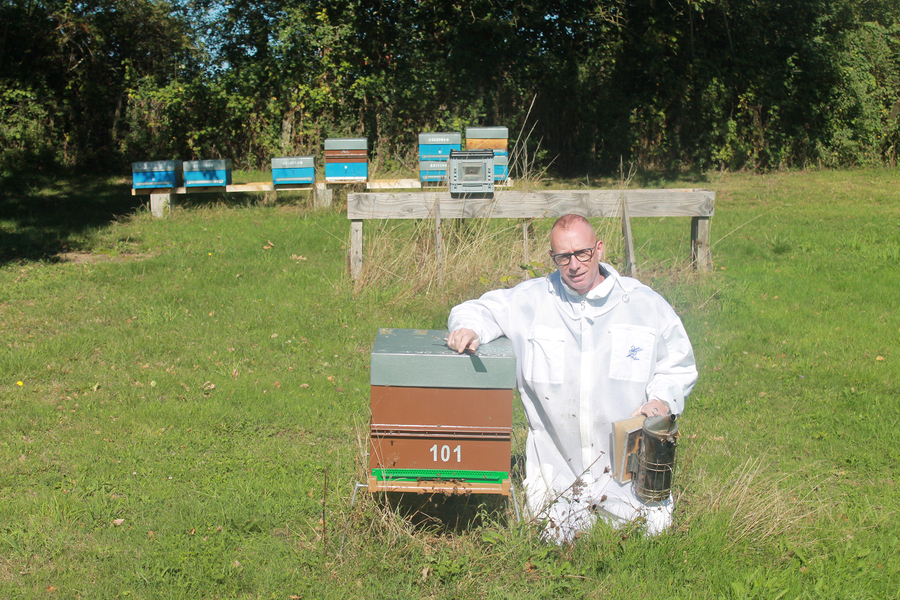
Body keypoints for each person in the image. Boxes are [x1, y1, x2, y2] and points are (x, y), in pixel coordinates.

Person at [447, 214, 697, 542]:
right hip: (557, 474)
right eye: (563, 257)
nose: (574, 265)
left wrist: (661, 401)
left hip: (627, 473)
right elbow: (475, 310)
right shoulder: (531, 301)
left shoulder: (642, 304)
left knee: (650, 532)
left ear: (599, 249)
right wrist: (468, 328)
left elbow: (678, 364)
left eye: (582, 253)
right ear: (552, 257)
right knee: (552, 537)